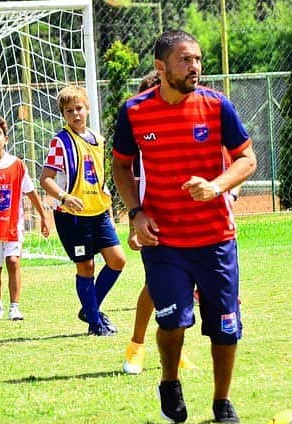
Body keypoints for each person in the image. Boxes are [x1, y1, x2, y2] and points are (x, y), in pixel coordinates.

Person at [112, 30, 257, 424]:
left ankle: (222, 400)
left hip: (215, 239)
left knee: (226, 326)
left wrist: (217, 186)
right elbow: (121, 166)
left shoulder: (217, 106)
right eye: (184, 60)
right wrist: (136, 212)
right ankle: (170, 380)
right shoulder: (134, 112)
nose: (194, 66)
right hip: (165, 241)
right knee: (173, 322)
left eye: (197, 59)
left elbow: (246, 159)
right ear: (161, 68)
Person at [121, 70, 242, 375]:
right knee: (155, 289)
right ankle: (136, 346)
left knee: (193, 297)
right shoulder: (144, 130)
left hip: (205, 230)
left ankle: (177, 353)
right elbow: (132, 178)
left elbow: (234, 167)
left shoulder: (205, 121)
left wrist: (227, 193)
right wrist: (134, 221)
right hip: (161, 226)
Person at [39, 85, 126, 336]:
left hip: (97, 212)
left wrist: (105, 193)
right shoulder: (60, 141)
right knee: (86, 267)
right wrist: (64, 197)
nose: (75, 114)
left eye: (79, 108)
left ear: (87, 109)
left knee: (117, 260)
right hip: (73, 217)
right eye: (69, 111)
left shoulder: (98, 140)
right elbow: (46, 178)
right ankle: (95, 325)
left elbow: (96, 176)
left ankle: (91, 309)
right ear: (64, 115)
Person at [0, 116, 50, 320]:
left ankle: (15, 307)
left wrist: (43, 216)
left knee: (13, 262)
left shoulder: (17, 165)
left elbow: (31, 193)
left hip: (13, 225)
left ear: (6, 139)